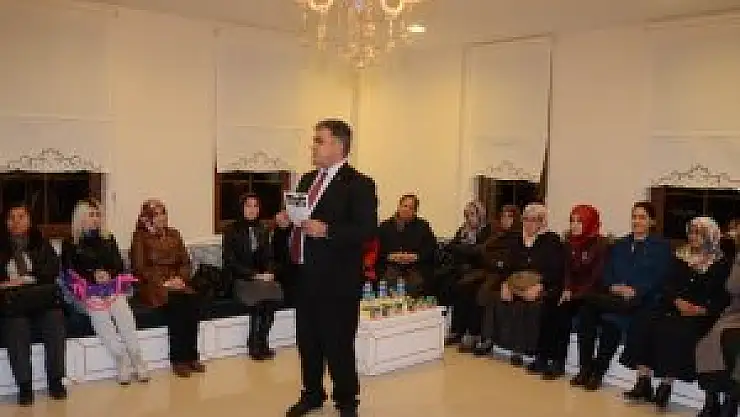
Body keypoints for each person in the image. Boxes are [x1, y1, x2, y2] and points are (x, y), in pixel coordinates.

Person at [275, 119, 377, 417]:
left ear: (338, 145)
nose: (313, 146)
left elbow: (367, 230)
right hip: (304, 276)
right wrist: (284, 221)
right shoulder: (307, 179)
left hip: (338, 282)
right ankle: (312, 394)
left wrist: (328, 230)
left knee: (338, 343)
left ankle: (346, 401)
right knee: (308, 341)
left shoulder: (359, 184)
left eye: (319, 140)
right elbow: (300, 220)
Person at [619, 216, 730, 410]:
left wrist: (702, 309)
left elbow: (723, 297)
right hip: (674, 305)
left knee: (675, 330)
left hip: (700, 313)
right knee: (643, 320)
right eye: (691, 232)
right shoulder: (680, 254)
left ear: (710, 236)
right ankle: (643, 381)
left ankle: (665, 385)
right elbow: (666, 284)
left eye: (699, 234)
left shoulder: (721, 262)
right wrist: (677, 301)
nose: (693, 237)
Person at [575, 201, 672, 391]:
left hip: (641, 301)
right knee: (586, 311)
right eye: (634, 217)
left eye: (642, 217)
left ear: (652, 221)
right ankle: (585, 367)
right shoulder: (620, 244)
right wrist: (614, 287)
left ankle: (598, 372)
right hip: (616, 297)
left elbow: (659, 277)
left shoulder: (661, 247)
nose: (637, 221)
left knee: (612, 320)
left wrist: (635, 290)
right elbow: (606, 272)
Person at [60, 198, 149, 384]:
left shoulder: (108, 238)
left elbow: (119, 265)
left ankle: (136, 356)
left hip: (110, 287)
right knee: (99, 313)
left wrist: (108, 274)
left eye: (98, 214)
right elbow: (69, 271)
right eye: (91, 215)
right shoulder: (70, 243)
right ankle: (121, 358)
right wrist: (93, 275)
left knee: (122, 310)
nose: (96, 219)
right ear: (80, 218)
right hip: (85, 291)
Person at [0, 203, 67, 405]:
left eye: (21, 216)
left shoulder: (40, 242)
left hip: (40, 299)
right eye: (11, 217)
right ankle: (24, 386)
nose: (16, 221)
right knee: (16, 326)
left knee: (55, 319)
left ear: (29, 220)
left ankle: (55, 380)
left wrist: (30, 278)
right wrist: (6, 283)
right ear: (5, 222)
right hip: (12, 303)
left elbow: (53, 269)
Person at [130, 199, 205, 378]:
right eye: (156, 214)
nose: (161, 217)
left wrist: (180, 278)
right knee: (178, 306)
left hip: (177, 282)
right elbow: (139, 269)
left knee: (192, 302)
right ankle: (178, 359)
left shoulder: (174, 234)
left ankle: (191, 356)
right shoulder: (140, 237)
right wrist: (164, 283)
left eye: (163, 213)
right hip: (153, 286)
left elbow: (186, 262)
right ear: (147, 218)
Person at [497, 203, 565, 371]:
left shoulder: (552, 240)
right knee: (501, 299)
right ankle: (513, 348)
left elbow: (556, 271)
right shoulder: (517, 239)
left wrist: (540, 286)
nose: (528, 224)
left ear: (542, 222)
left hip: (543, 284)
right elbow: (507, 266)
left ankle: (533, 352)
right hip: (518, 283)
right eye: (526, 219)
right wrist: (505, 283)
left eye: (533, 220)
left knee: (535, 306)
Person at [223, 193, 283, 360]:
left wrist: (269, 272)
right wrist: (254, 275)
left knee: (271, 299)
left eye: (255, 206)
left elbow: (269, 256)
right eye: (248, 206)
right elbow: (230, 262)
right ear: (241, 208)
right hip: (240, 279)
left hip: (261, 279)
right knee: (259, 299)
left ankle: (262, 341)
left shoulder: (263, 229)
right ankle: (254, 344)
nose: (252, 210)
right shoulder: (231, 230)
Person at [558, 205, 609, 383]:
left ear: (589, 223)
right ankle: (557, 361)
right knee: (557, 308)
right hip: (575, 293)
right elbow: (567, 270)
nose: (574, 225)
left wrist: (576, 294)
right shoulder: (569, 242)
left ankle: (585, 367)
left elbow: (597, 277)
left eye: (579, 222)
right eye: (572, 221)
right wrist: (566, 289)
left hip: (594, 294)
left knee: (586, 315)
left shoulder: (601, 245)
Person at [473, 205, 521, 356]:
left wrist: (497, 263)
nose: (505, 220)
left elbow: (510, 262)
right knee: (465, 286)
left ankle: (485, 337)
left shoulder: (519, 237)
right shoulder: (497, 235)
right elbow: (484, 253)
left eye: (509, 217)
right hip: (490, 271)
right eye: (503, 216)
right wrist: (493, 262)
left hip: (506, 276)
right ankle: (471, 332)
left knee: (486, 292)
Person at [696, 253, 740, 417]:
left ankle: (731, 399)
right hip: (736, 314)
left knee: (735, 346)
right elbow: (732, 286)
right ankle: (712, 398)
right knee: (709, 341)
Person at [446, 201, 492, 352]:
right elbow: (451, 247)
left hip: (482, 272)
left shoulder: (487, 231)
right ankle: (457, 330)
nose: (469, 218)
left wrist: (463, 249)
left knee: (471, 290)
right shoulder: (462, 230)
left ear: (480, 215)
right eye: (466, 215)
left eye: (472, 214)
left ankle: (473, 333)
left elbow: (480, 253)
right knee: (451, 285)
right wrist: (465, 249)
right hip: (463, 271)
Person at [377, 194, 436, 296]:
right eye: (404, 206)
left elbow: (431, 248)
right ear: (399, 206)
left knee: (417, 283)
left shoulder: (423, 226)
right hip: (391, 266)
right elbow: (378, 250)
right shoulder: (385, 226)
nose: (406, 210)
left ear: (415, 211)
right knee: (387, 281)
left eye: (411, 208)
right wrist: (390, 256)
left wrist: (416, 257)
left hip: (415, 267)